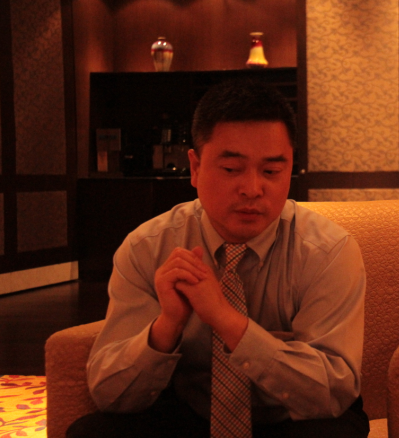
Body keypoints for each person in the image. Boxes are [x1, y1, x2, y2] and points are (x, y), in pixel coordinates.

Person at [67, 79, 369, 438]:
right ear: (195, 167)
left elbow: (333, 392)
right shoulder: (148, 247)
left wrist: (226, 321)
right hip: (190, 411)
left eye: (271, 172)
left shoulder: (327, 252)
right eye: (231, 169)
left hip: (290, 418)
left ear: (290, 169)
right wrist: (167, 326)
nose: (252, 189)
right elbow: (108, 394)